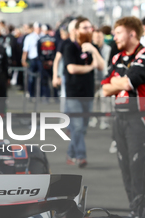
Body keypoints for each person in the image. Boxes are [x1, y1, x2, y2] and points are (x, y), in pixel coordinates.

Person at [102, 16, 145, 217]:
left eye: (118, 32)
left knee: (139, 171)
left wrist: (118, 82)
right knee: (125, 170)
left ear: (131, 33)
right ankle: (134, 213)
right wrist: (119, 83)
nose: (114, 37)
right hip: (119, 119)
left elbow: (127, 84)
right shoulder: (117, 58)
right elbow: (104, 89)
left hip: (140, 120)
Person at [62, 16, 105, 168]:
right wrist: (89, 67)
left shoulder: (93, 46)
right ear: (77, 31)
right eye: (85, 28)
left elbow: (101, 66)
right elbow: (71, 68)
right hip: (73, 94)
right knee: (78, 127)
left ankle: (71, 153)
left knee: (82, 128)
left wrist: (94, 50)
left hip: (88, 93)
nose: (89, 30)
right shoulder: (70, 47)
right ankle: (80, 156)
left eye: (90, 27)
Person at [21, 22, 41, 97]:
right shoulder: (29, 37)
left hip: (40, 59)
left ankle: (40, 94)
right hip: (32, 59)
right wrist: (23, 59)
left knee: (40, 78)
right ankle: (30, 93)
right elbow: (25, 50)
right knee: (31, 78)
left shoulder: (41, 36)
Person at [37, 24, 57, 98]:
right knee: (53, 79)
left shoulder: (40, 40)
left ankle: (46, 97)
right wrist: (51, 61)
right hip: (51, 63)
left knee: (45, 81)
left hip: (44, 63)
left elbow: (39, 53)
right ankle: (55, 97)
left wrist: (44, 61)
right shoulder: (54, 39)